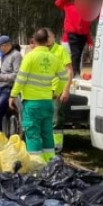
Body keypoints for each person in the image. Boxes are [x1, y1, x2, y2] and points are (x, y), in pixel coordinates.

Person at [10, 29, 69, 162]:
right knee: (47, 133)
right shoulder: (53, 57)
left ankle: (36, 165)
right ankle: (49, 163)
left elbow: (21, 79)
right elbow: (64, 77)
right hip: (47, 102)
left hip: (32, 103)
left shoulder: (30, 57)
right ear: (47, 41)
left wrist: (13, 95)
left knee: (33, 134)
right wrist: (57, 92)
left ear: (34, 41)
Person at [55, 0, 99, 77]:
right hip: (67, 39)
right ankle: (69, 78)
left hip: (80, 37)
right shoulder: (69, 6)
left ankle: (76, 77)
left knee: (78, 57)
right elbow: (57, 3)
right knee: (69, 59)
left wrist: (89, 41)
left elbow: (86, 29)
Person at [46, 27, 74, 152]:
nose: (47, 40)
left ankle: (56, 147)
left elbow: (69, 70)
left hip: (57, 91)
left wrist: (66, 90)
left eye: (49, 37)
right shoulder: (41, 51)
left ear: (53, 37)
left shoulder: (60, 50)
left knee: (56, 119)